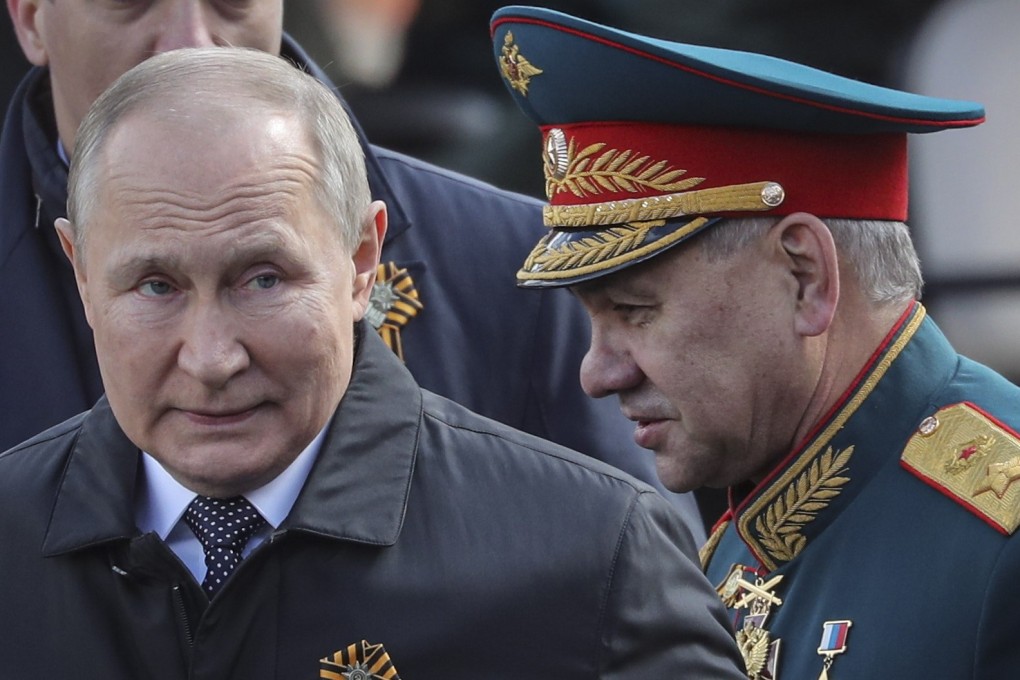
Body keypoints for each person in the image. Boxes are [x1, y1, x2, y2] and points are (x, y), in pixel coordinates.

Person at [0, 46, 745, 678]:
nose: (212, 358)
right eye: (155, 286)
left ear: (363, 262)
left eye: (262, 279)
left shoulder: (595, 561)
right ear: (83, 274)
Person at [0, 0, 703, 540]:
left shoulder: (514, 264)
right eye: (130, 3)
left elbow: (634, 586)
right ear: (32, 18)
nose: (189, 40)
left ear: (365, 256)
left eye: (231, 1)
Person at [490, 6, 1020, 679]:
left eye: (634, 310)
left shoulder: (1000, 533)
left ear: (804, 277)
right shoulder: (741, 539)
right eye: (595, 321)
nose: (597, 374)